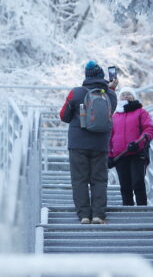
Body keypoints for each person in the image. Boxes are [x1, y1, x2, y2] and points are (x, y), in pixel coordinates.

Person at [59, 60, 118, 224]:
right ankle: (98, 214)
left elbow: (63, 116)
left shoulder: (76, 93)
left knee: (79, 180)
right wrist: (112, 87)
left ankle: (84, 215)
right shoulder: (110, 95)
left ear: (86, 76)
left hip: (78, 144)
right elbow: (110, 112)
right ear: (102, 76)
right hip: (100, 144)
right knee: (99, 180)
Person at [108, 87, 153, 206]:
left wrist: (139, 142)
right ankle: (128, 212)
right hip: (120, 155)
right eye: (123, 94)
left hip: (137, 153)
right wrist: (109, 155)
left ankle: (143, 210)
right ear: (119, 98)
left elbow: (149, 129)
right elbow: (108, 137)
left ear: (133, 97)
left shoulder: (141, 112)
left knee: (138, 183)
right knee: (125, 186)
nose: (126, 96)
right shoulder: (115, 116)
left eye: (129, 94)